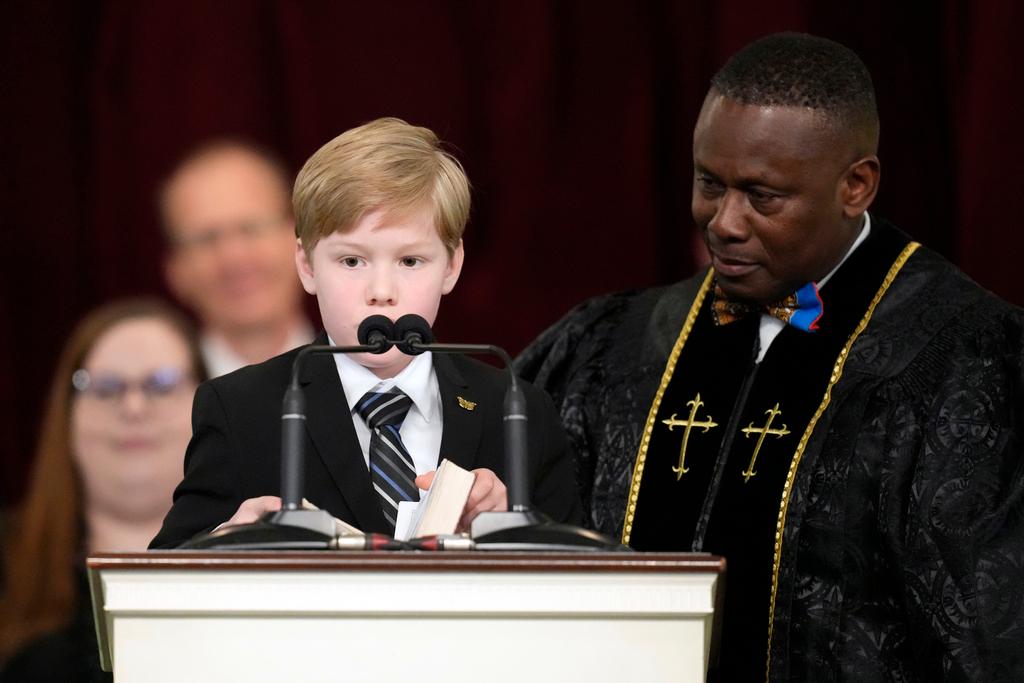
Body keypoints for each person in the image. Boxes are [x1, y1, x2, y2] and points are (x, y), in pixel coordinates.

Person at [515, 33, 1024, 681]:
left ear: (856, 185)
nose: (724, 222)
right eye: (709, 183)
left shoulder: (967, 363)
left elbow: (992, 635)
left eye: (762, 196)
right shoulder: (612, 342)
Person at [151, 117, 581, 548]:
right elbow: (159, 581)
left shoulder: (517, 410)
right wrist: (226, 540)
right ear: (306, 265)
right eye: (352, 262)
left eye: (410, 261)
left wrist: (513, 534)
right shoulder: (241, 408)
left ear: (452, 265)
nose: (381, 292)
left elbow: (582, 586)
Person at [0, 299, 206, 682]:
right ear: (68, 415)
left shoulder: (257, 565)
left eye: (160, 384)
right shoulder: (7, 562)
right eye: (106, 387)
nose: (133, 407)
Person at [160, 140, 313, 377]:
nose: (234, 257)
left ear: (300, 239)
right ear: (176, 271)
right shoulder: (157, 408)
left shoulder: (377, 384)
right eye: (206, 239)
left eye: (251, 228)